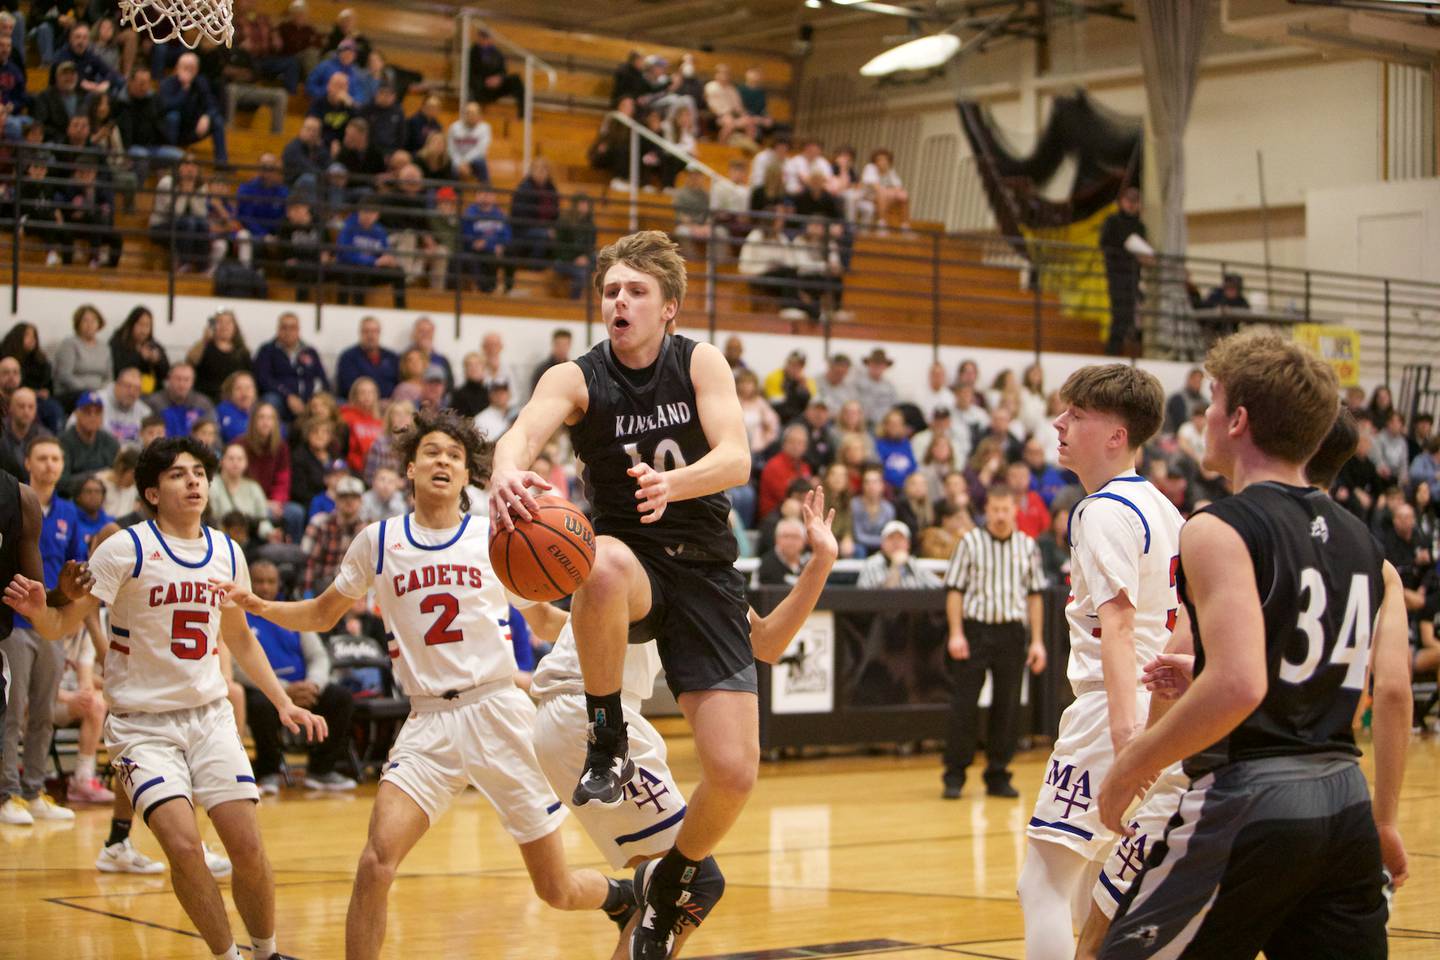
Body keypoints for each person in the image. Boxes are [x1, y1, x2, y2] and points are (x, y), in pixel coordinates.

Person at [214, 408, 638, 960]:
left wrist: (622, 630)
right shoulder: (378, 540)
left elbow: (542, 622)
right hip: (427, 723)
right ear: (410, 469)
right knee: (375, 861)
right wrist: (263, 606)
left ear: (468, 477)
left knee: (554, 889)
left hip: (499, 713)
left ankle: (622, 896)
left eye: (455, 457)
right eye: (433, 453)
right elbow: (323, 614)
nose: (444, 461)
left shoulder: (498, 538)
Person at [1091, 335, 1403, 958]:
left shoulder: (1218, 525)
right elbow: (1363, 683)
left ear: (1237, 421)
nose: (1202, 418)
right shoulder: (1362, 542)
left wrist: (1129, 764)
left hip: (1253, 798)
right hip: (1344, 796)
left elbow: (1240, 685)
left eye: (1211, 402)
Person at [489, 231, 755, 960]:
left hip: (703, 567)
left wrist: (677, 483)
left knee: (733, 772)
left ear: (669, 307)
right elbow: (520, 435)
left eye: (636, 291)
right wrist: (507, 472)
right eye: (610, 290)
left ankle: (671, 884)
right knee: (598, 563)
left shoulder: (699, 360)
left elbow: (735, 455)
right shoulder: (577, 377)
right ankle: (606, 734)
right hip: (631, 562)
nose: (619, 301)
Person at [6, 436, 325, 959]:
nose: (194, 480)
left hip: (210, 717)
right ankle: (227, 956)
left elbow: (240, 637)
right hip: (141, 725)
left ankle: (267, 952)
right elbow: (62, 622)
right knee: (182, 846)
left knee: (246, 847)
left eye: (199, 472)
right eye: (178, 474)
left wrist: (282, 700)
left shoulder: (227, 550)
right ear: (152, 492)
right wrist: (42, 609)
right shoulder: (125, 548)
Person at [529, 487, 840, 957]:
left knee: (674, 886)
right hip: (584, 717)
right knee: (693, 884)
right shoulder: (624, 557)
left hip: (572, 719)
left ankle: (636, 904)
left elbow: (768, 643)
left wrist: (822, 561)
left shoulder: (699, 583)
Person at [1016, 363, 1183, 960]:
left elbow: (1115, 622)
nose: (1059, 423)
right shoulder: (1168, 511)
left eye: (1077, 415)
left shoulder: (1102, 510)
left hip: (1114, 711)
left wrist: (1125, 734)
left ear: (1117, 434)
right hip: (1163, 707)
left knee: (1042, 884)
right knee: (1097, 893)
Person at [0, 436, 88, 823]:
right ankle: (7, 793)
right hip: (15, 623)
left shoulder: (66, 511)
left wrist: (66, 602)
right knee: (12, 710)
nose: (50, 465)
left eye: (56, 458)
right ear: (29, 463)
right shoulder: (20, 500)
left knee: (42, 712)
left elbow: (73, 574)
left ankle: (34, 790)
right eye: (43, 458)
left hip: (49, 619)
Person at [941, 484, 1047, 800]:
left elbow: (1035, 596)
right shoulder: (970, 543)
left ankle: (998, 773)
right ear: (986, 510)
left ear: (1014, 510)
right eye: (995, 509)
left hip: (1011, 633)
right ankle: (955, 774)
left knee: (1008, 705)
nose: (1000, 515)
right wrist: (956, 633)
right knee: (964, 704)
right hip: (975, 630)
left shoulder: (1028, 546)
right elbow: (955, 590)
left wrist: (1037, 641)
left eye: (1005, 509)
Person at [240, 559, 355, 793]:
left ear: (278, 584)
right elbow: (238, 667)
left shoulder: (290, 612)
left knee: (340, 697)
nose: (264, 587)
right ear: (249, 583)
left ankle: (321, 771)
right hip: (269, 690)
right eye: (259, 581)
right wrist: (282, 690)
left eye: (270, 581)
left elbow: (319, 657)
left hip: (304, 686)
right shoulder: (240, 616)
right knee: (259, 704)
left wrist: (313, 684)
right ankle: (268, 771)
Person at [1098, 186, 1153, 356]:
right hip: (1116, 274)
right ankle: (1112, 352)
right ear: (1122, 202)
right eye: (1129, 201)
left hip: (1132, 277)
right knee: (1119, 314)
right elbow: (1104, 244)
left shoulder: (1139, 226)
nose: (1131, 205)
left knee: (1128, 316)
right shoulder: (1112, 221)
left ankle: (1117, 350)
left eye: (1134, 201)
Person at [59, 390, 119, 497]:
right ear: (77, 414)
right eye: (87, 412)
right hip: (73, 498)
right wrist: (96, 477)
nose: (93, 416)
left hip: (106, 498)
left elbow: (119, 475)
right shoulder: (63, 442)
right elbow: (62, 482)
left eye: (97, 412)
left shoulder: (110, 442)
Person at [856, 520, 941, 588]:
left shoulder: (914, 564)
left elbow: (940, 588)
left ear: (908, 544)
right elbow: (870, 601)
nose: (896, 543)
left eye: (900, 538)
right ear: (882, 544)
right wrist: (895, 567)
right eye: (891, 538)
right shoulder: (871, 565)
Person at [467, 29, 524, 113]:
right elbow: (469, 73)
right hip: (480, 89)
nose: (485, 41)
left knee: (516, 79)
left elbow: (503, 71)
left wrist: (499, 78)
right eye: (483, 38)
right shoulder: (472, 53)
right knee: (470, 89)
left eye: (487, 38)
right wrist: (485, 82)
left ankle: (523, 113)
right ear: (479, 38)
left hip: (495, 88)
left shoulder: (497, 53)